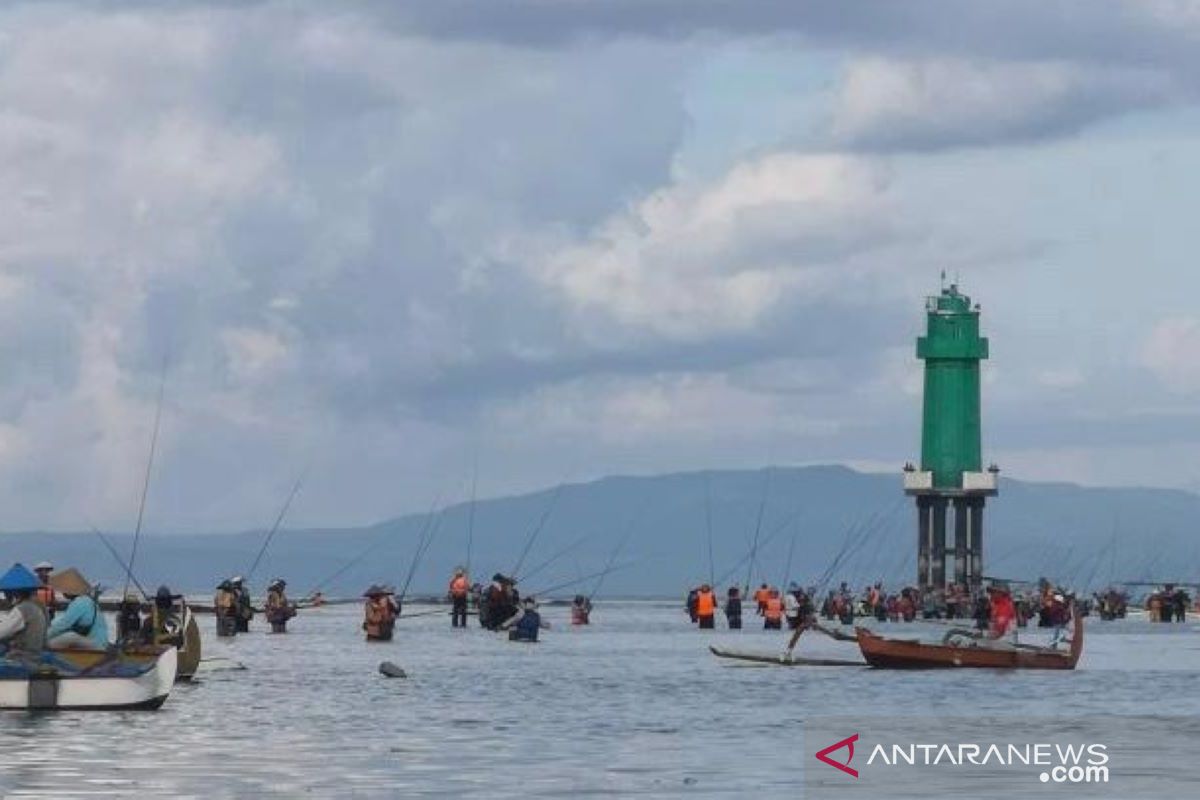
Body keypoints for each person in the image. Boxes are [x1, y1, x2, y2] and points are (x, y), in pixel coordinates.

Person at [46, 568, 109, 651]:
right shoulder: (85, 600)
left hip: (97, 643)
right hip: (93, 641)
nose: (63, 592)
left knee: (70, 636)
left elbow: (63, 624)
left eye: (64, 590)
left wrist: (43, 636)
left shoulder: (80, 602)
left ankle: (43, 649)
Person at [0, 563, 49, 660]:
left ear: (14, 592)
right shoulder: (36, 606)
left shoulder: (22, 609)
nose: (5, 595)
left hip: (23, 656)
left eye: (6, 592)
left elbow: (2, 632)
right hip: (37, 652)